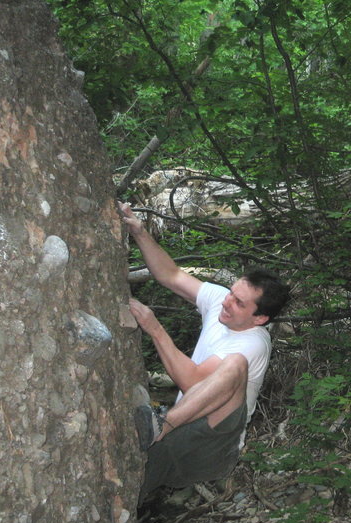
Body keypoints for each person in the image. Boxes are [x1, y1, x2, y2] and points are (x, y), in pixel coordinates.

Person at [118, 202, 290, 503]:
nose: (227, 302)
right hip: (182, 428)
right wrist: (141, 233)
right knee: (132, 483)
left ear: (260, 318)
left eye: (239, 303)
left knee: (235, 365)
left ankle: (160, 426)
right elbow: (171, 275)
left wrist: (154, 328)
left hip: (213, 444)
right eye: (231, 293)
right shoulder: (223, 302)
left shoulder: (253, 342)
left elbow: (194, 382)